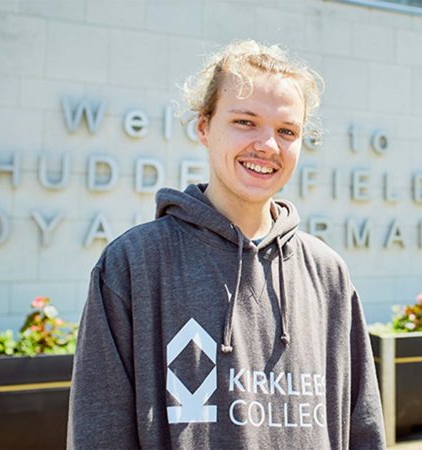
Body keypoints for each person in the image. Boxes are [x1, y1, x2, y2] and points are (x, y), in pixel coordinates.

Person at [67, 40, 386, 449]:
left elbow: (364, 430)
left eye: (287, 131)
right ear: (204, 127)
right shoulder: (134, 264)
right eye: (245, 122)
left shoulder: (327, 273)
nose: (268, 146)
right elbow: (99, 432)